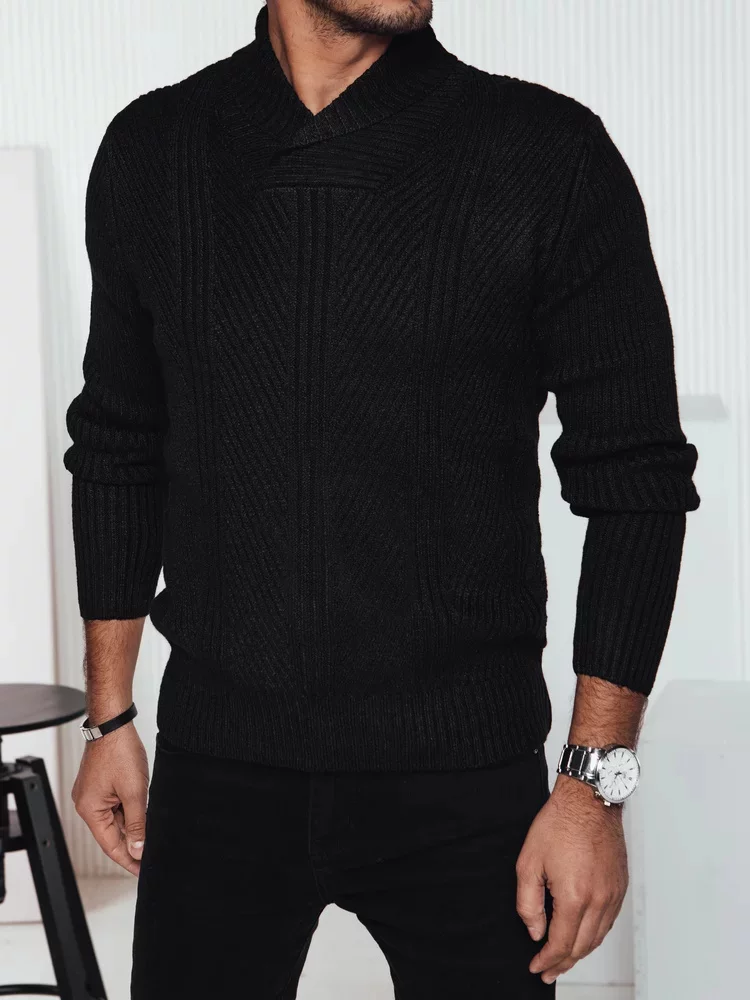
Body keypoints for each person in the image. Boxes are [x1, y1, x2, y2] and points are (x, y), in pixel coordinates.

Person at [63, 1, 700, 996]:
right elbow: (119, 440)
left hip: (466, 777)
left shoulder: (546, 152)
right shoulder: (155, 148)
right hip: (218, 762)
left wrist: (593, 787)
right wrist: (110, 718)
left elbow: (638, 478)